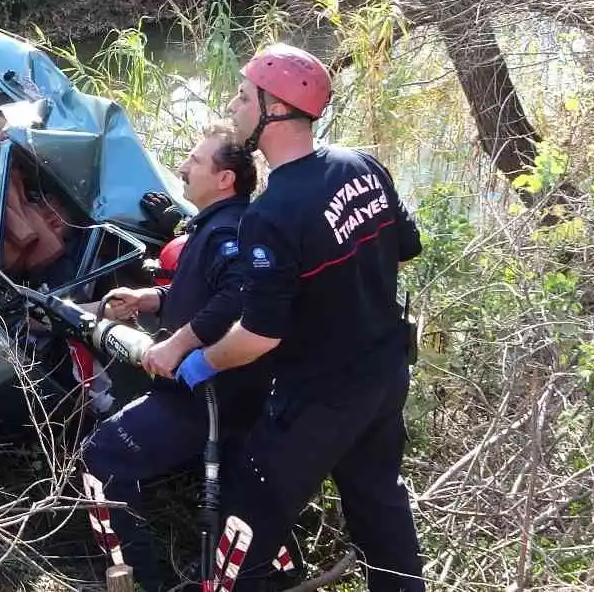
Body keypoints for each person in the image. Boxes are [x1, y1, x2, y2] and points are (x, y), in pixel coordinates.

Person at [174, 44, 425, 592]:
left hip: (319, 399)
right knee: (379, 509)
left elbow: (259, 335)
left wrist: (200, 362)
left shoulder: (272, 213)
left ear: (276, 110)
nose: (234, 106)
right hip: (383, 376)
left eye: (244, 97)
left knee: (242, 531)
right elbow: (407, 244)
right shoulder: (362, 165)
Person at [80, 122, 268, 592]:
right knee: (237, 494)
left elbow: (237, 297)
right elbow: (206, 293)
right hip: (217, 394)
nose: (182, 168)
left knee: (101, 460)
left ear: (225, 179)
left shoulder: (230, 231)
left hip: (201, 394)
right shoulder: (217, 226)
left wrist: (178, 343)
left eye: (196, 161)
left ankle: (142, 579)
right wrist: (151, 300)